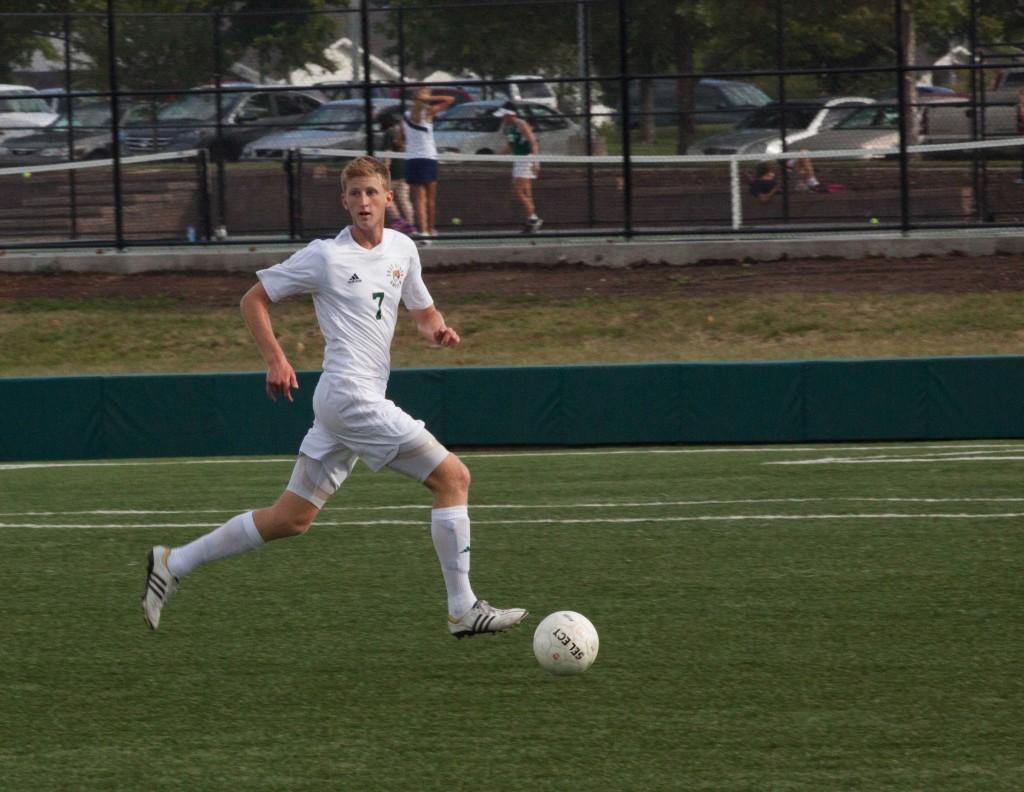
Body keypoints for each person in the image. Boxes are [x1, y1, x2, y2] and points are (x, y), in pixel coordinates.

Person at [141, 155, 527, 640]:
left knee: (291, 518)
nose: (364, 202)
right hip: (350, 396)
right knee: (453, 477)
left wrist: (438, 332)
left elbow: (422, 310)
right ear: (343, 201)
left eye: (372, 193)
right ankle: (462, 608)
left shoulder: (404, 249)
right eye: (355, 194)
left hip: (344, 403)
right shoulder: (326, 255)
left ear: (389, 198)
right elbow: (253, 299)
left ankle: (173, 562)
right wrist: (276, 359)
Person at [402, 87, 455, 240]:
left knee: (419, 199)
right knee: (430, 199)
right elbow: (450, 100)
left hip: (413, 159)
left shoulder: (405, 116)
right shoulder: (428, 112)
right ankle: (430, 231)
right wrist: (426, 99)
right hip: (428, 158)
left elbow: (401, 139)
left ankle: (424, 231)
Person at [495, 102, 543, 232]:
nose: (502, 118)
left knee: (517, 191)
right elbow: (511, 146)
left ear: (510, 114)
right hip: (518, 160)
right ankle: (532, 220)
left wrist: (535, 162)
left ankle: (533, 219)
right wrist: (497, 156)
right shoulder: (507, 128)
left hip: (526, 159)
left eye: (504, 115)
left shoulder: (521, 124)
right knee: (526, 192)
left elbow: (533, 143)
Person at [380, 112, 416, 234]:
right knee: (404, 199)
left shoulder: (389, 133)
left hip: (394, 170)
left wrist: (385, 170)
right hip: (406, 170)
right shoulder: (403, 133)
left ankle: (397, 219)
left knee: (383, 194)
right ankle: (411, 225)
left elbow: (387, 155)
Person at [749, 154, 824, 202]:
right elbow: (764, 199)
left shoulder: (771, 177)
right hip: (792, 187)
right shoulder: (759, 183)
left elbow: (753, 182)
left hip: (791, 182)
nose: (774, 165)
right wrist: (776, 188)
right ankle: (813, 183)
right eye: (771, 164)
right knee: (802, 155)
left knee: (803, 154)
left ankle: (813, 183)